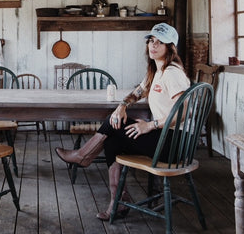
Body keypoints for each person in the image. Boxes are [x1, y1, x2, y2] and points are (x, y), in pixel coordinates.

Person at [55, 22, 191, 220]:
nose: (153, 45)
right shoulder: (157, 70)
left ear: (170, 48)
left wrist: (149, 125)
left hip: (175, 143)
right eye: (151, 41)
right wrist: (122, 105)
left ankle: (84, 156)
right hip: (164, 138)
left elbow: (184, 112)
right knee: (113, 136)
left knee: (114, 124)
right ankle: (118, 201)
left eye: (160, 43)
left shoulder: (172, 73)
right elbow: (138, 92)